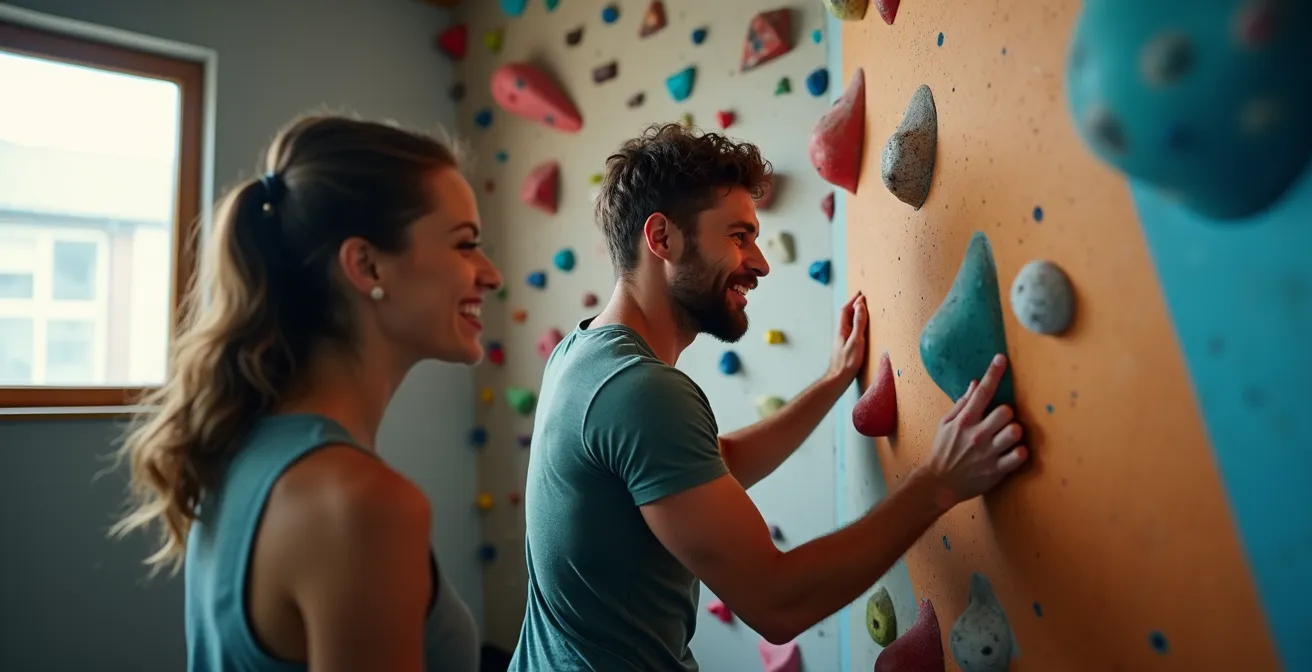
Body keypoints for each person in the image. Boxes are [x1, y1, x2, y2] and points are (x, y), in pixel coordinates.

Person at [508, 123, 1029, 671]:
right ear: (661, 238)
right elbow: (779, 602)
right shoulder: (641, 391)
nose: (760, 263)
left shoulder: (579, 353)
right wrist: (938, 483)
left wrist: (834, 380)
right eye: (738, 237)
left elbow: (712, 466)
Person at [110, 114, 502, 672]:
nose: (491, 274)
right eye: (466, 245)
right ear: (366, 265)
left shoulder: (241, 450)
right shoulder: (361, 504)